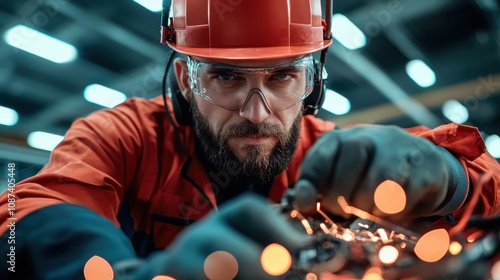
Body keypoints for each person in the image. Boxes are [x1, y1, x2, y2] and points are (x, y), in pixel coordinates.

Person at [1, 0, 499, 279]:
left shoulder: (329, 154)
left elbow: (491, 192)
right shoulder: (125, 136)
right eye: (226, 77)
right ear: (183, 79)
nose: (256, 112)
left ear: (313, 82)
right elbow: (25, 216)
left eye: (283, 76)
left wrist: (449, 177)